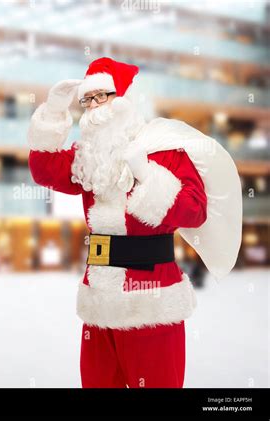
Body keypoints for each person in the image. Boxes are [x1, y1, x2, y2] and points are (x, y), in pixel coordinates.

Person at [27, 57, 242, 388]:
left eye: (103, 96)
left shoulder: (165, 150)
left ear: (126, 98)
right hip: (98, 303)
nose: (94, 106)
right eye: (88, 99)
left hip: (153, 305)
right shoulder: (88, 157)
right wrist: (54, 113)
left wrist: (147, 176)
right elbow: (44, 170)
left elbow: (195, 210)